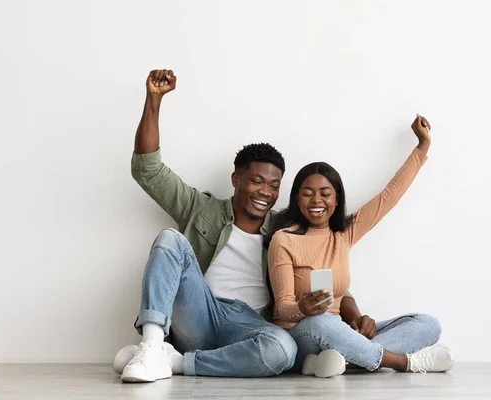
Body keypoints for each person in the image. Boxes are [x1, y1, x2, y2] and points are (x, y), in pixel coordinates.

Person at [112, 69, 344, 382]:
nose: (266, 192)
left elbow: (329, 255)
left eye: (274, 186)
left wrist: (350, 309)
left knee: (282, 350)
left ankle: (177, 362)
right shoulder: (200, 207)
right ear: (236, 180)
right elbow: (148, 170)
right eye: (257, 181)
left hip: (247, 323)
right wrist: (154, 100)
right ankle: (152, 347)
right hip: (201, 311)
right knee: (170, 238)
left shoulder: (284, 230)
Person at [266, 115, 454, 376]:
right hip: (302, 333)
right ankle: (405, 362)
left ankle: (338, 361)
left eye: (325, 193)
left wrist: (422, 146)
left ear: (337, 198)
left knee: (426, 324)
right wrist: (302, 308)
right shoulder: (283, 239)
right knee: (322, 321)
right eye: (307, 193)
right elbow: (282, 308)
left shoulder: (343, 234)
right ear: (297, 199)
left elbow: (389, 196)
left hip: (339, 330)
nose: (316, 200)